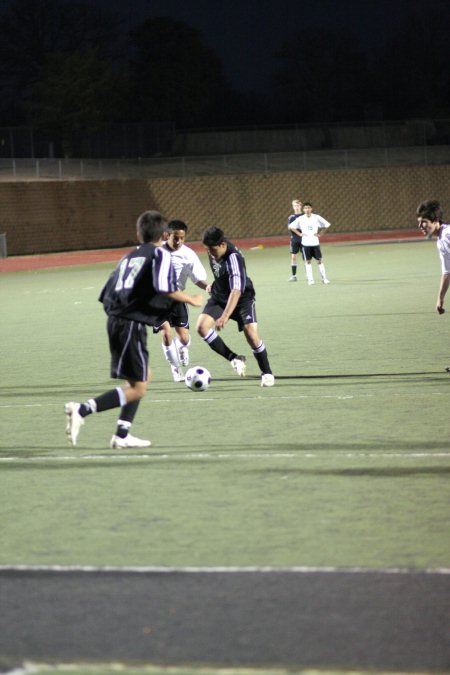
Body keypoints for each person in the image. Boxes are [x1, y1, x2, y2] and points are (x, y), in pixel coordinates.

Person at [64, 210, 203, 448]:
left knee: (143, 378)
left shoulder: (128, 256)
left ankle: (122, 434)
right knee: (138, 388)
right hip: (129, 324)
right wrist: (191, 299)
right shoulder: (160, 255)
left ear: (138, 233)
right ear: (164, 234)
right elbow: (164, 287)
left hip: (118, 320)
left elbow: (106, 294)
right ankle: (82, 410)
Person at [196, 226, 275, 387]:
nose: (210, 253)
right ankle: (234, 358)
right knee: (201, 327)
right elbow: (219, 272)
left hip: (242, 299)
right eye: (207, 249)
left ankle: (267, 373)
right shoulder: (215, 248)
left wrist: (224, 316)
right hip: (220, 296)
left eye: (212, 250)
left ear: (223, 245)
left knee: (251, 335)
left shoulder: (234, 258)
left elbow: (236, 290)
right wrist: (214, 285)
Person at [155, 219, 208, 382]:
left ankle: (182, 348)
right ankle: (176, 369)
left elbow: (197, 278)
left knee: (184, 338)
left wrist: (208, 287)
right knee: (166, 333)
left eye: (182, 238)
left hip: (178, 298)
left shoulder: (188, 254)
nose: (178, 241)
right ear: (166, 235)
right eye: (175, 237)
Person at [416, 199, 450, 371]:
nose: (421, 226)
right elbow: (446, 272)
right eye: (419, 223)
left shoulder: (447, 235)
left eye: (424, 223)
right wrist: (440, 299)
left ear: (436, 221)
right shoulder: (441, 239)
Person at [288, 201, 331, 285]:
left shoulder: (316, 217)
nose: (307, 209)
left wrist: (320, 234)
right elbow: (291, 227)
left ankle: (324, 279)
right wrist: (299, 233)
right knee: (308, 261)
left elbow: (327, 224)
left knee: (319, 260)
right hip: (305, 244)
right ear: (303, 209)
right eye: (306, 208)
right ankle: (310, 280)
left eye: (309, 208)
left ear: (311, 209)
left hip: (315, 243)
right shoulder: (300, 218)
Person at [287, 198, 304, 281]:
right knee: (293, 257)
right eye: (294, 206)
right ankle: (294, 276)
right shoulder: (291, 217)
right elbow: (290, 228)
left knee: (306, 257)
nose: (296, 207)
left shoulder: (304, 216)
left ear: (300, 206)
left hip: (304, 239)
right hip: (294, 239)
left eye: (297, 205)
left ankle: (309, 274)